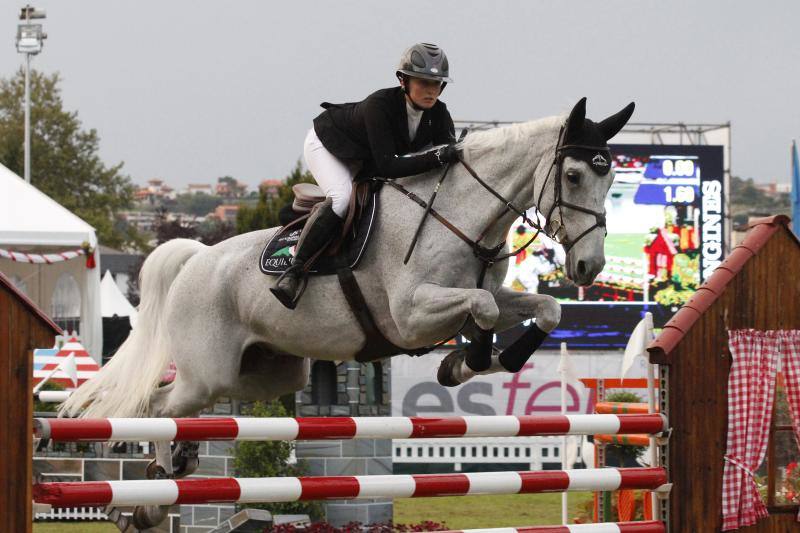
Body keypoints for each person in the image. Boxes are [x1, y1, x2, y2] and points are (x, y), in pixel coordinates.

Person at [271, 42, 461, 309]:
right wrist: (438, 157)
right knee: (341, 198)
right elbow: (388, 166)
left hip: (366, 155)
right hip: (328, 143)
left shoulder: (439, 114)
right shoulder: (380, 105)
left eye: (437, 84)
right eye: (423, 82)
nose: (431, 90)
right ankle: (293, 272)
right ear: (403, 80)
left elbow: (445, 161)